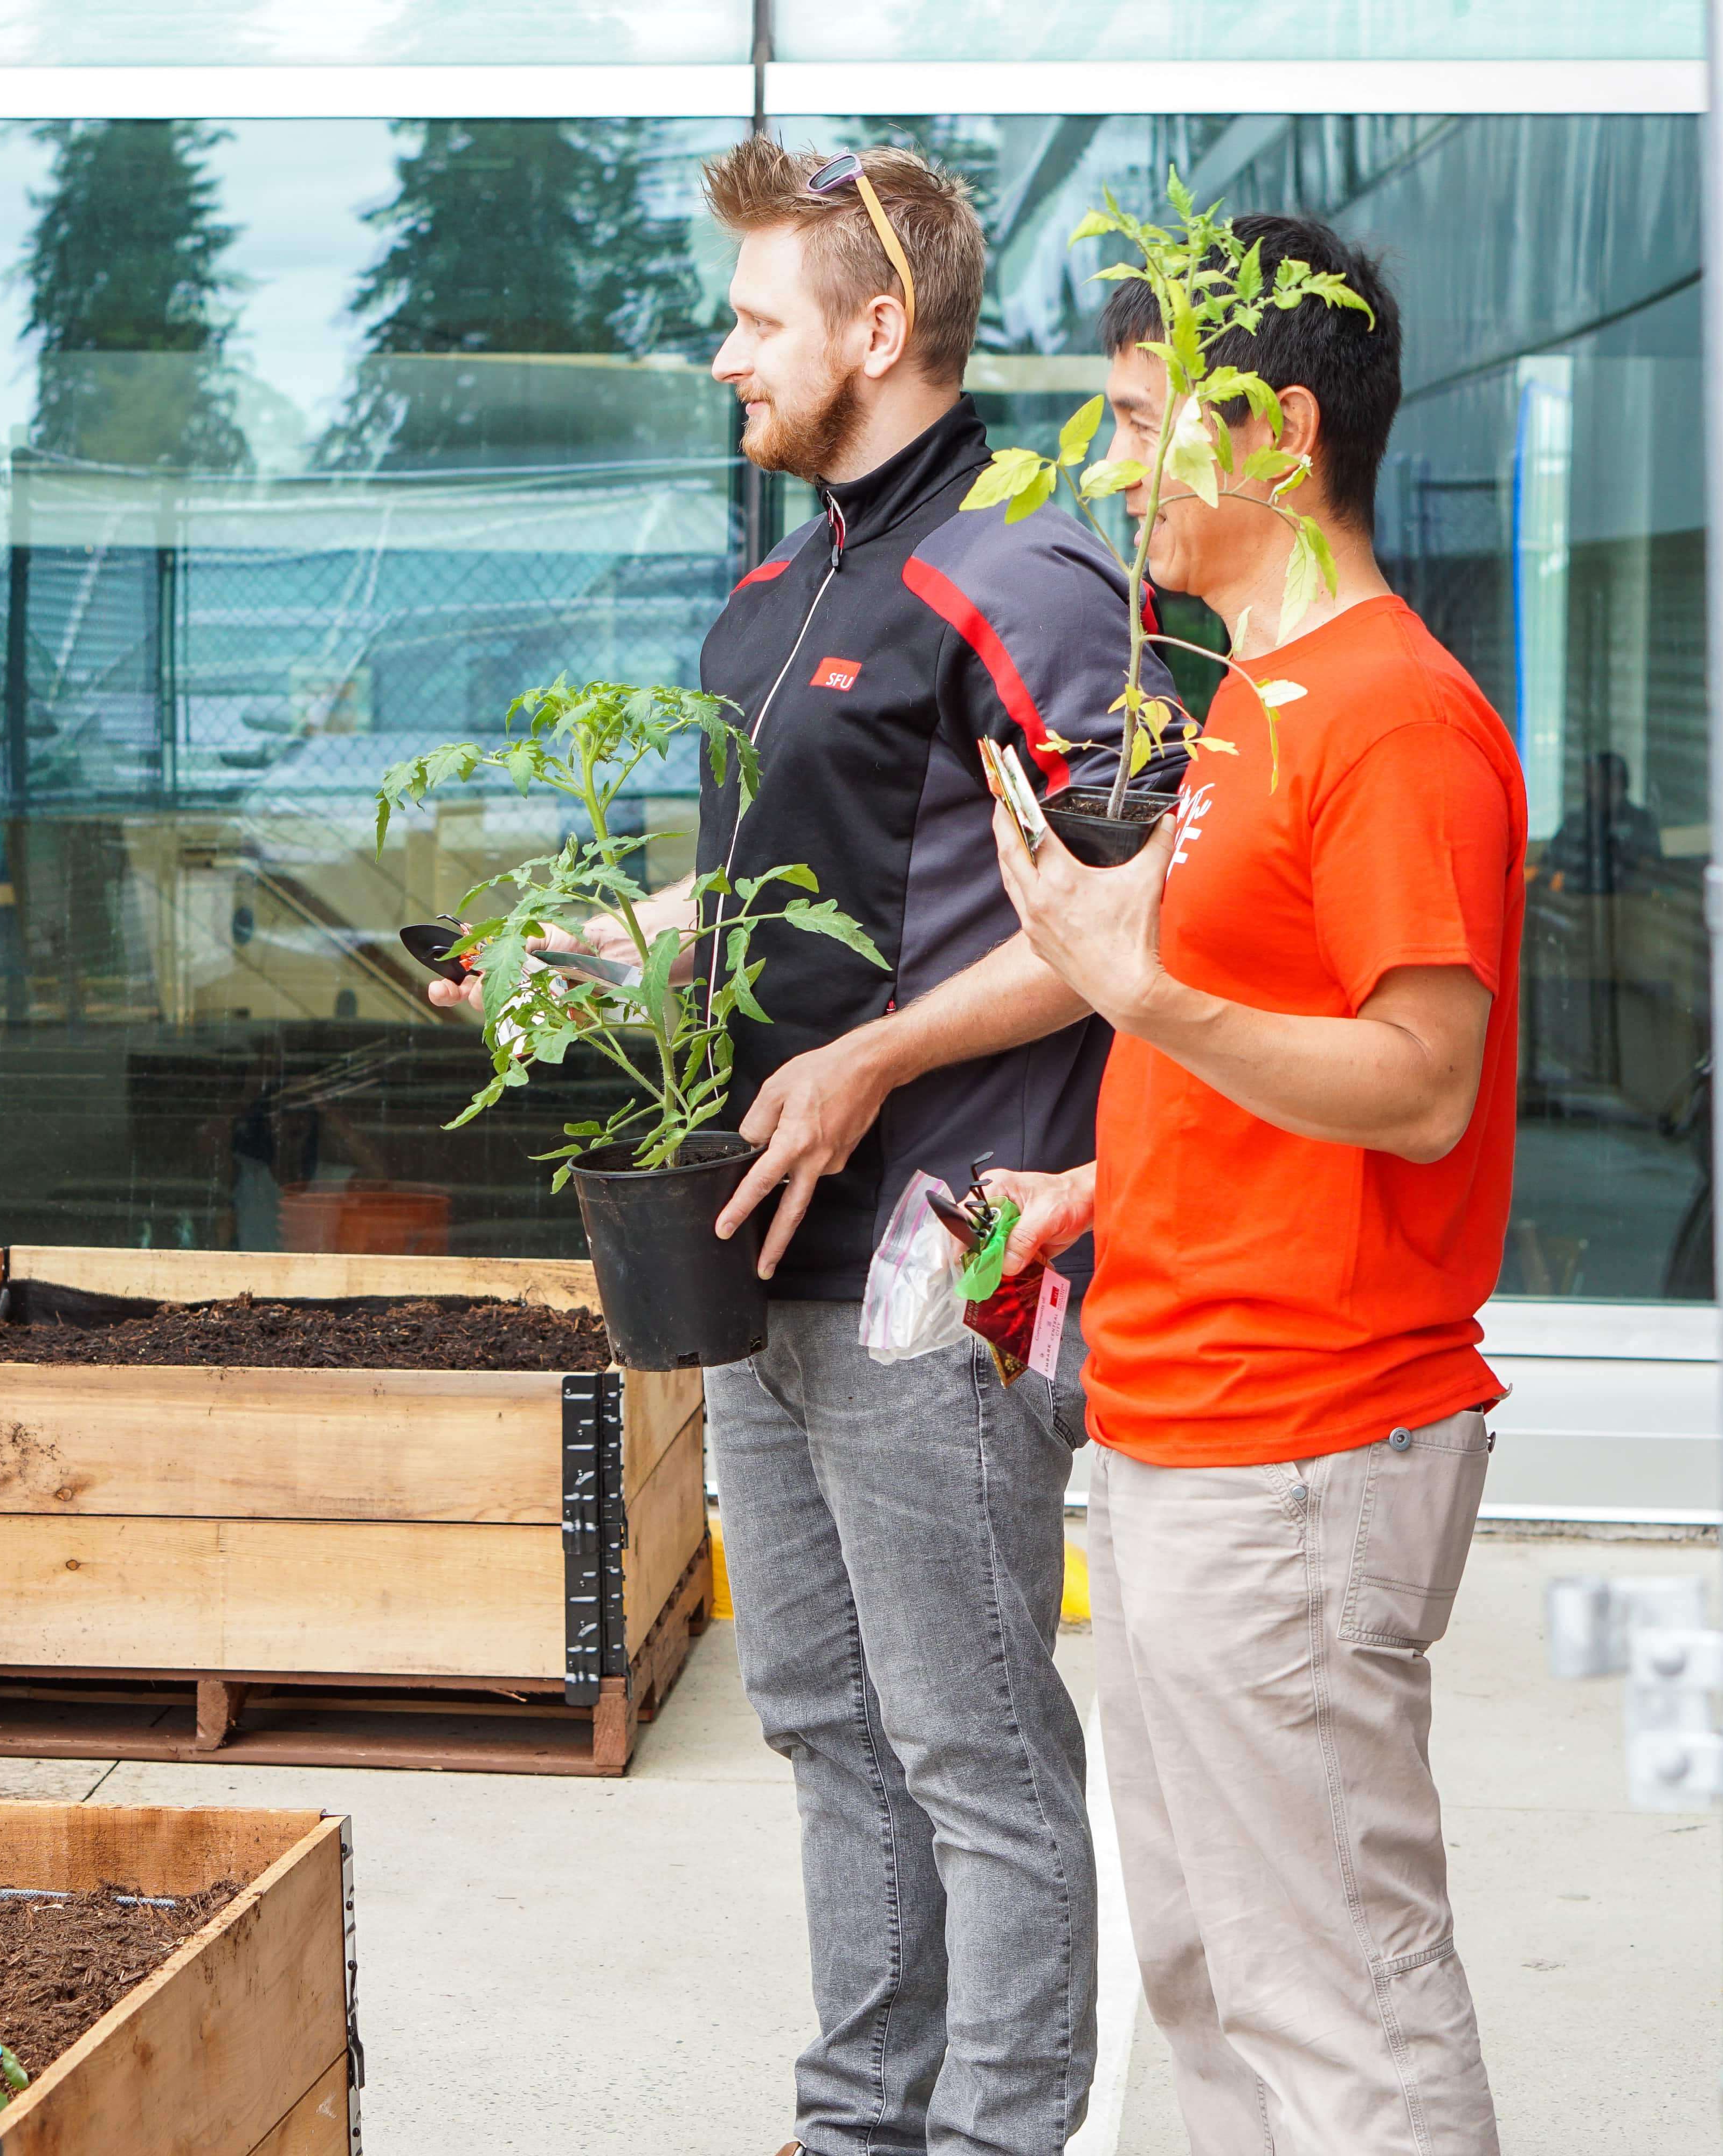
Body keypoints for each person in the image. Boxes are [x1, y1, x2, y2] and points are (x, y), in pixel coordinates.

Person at [431, 139, 1147, 2156]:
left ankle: (997, 2139)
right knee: (828, 1725)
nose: (721, 354)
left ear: (879, 328)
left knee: (977, 1750)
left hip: (941, 1256)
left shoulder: (1025, 580)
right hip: (762, 1250)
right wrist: (575, 957)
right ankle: (856, 2126)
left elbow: (1125, 918)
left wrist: (877, 1059)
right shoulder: (779, 591)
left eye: (754, 319)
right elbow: (757, 897)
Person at [981, 215, 1520, 2156]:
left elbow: (1421, 1087)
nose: (1117, 471)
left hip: (1297, 1453)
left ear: (1278, 435)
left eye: (1141, 425)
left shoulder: (1390, 717)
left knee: (1340, 2009)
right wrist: (1092, 1187)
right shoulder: (1254, 696)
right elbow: (1250, 1046)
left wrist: (1130, 986)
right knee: (1211, 1979)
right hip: (1189, 1431)